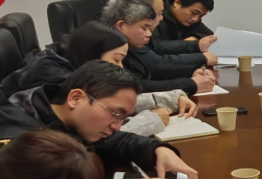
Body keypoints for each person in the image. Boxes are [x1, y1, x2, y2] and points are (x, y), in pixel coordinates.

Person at [0, 60, 196, 179]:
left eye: (122, 118)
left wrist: (157, 150)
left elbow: (112, 141)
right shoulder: (20, 145)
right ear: (76, 98)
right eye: (115, 114)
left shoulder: (60, 114)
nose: (117, 125)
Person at [11, 21, 197, 135]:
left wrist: (171, 98)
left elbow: (109, 104)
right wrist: (151, 121)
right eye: (117, 60)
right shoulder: (58, 81)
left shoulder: (70, 59)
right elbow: (90, 136)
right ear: (93, 54)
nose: (120, 67)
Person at [103, 0, 218, 96]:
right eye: (144, 28)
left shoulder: (129, 41)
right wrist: (190, 84)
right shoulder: (106, 48)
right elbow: (134, 86)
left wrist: (192, 71)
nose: (149, 34)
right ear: (121, 26)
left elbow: (153, 66)